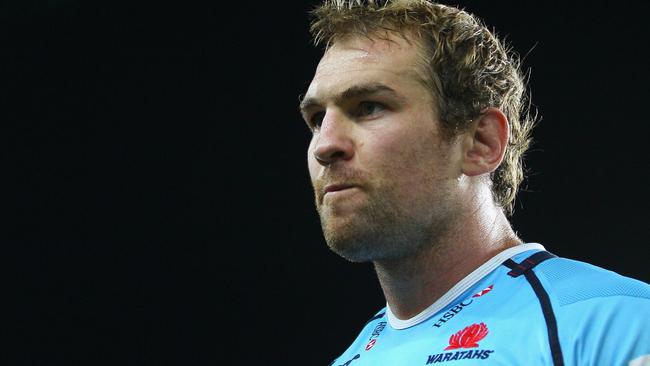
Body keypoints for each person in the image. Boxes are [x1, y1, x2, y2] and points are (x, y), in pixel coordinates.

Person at [298, 1, 650, 365]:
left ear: (481, 143)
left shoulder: (615, 326)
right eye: (317, 118)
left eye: (369, 106)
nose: (325, 145)